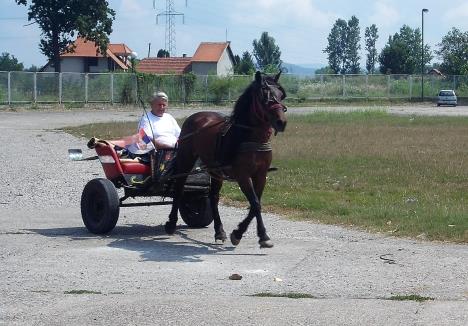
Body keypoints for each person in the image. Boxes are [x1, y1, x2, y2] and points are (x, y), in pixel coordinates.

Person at [127, 91, 181, 155]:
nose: (161, 107)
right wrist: (165, 146)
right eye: (159, 105)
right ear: (152, 105)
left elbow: (180, 134)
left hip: (175, 151)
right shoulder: (146, 119)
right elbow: (146, 139)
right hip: (158, 154)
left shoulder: (169, 117)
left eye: (164, 105)